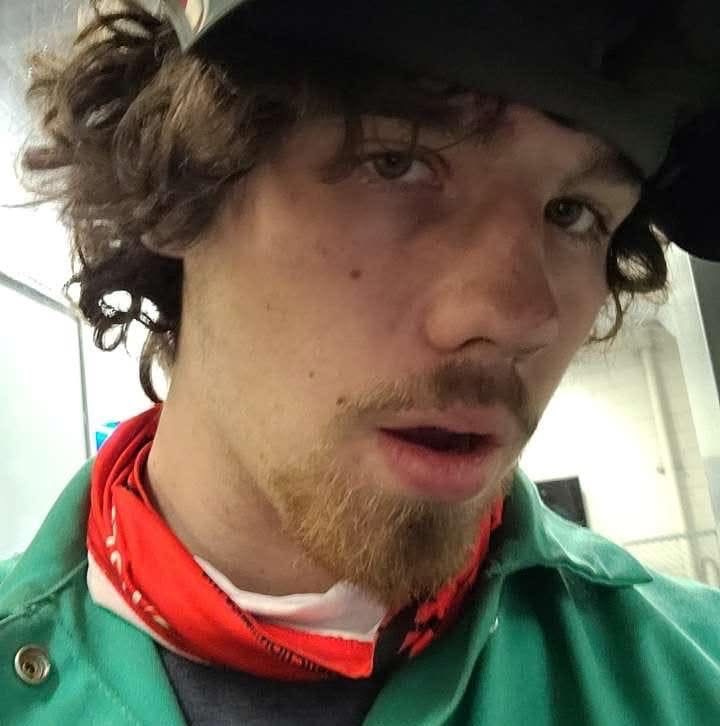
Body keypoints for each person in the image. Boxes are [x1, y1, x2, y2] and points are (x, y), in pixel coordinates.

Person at [2, 1, 719, 724]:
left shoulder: (694, 678)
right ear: (172, 185)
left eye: (574, 212)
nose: (519, 319)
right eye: (394, 163)